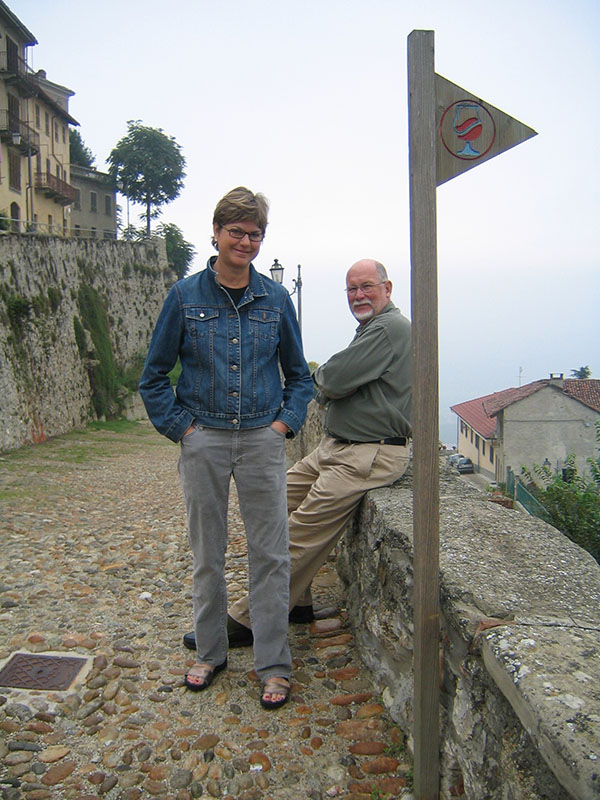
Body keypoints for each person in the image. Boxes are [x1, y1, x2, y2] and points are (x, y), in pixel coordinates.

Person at [140, 187, 313, 710]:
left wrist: (282, 426)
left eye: (254, 233)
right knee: (207, 554)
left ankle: (274, 664)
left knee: (271, 555)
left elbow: (300, 378)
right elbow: (153, 378)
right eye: (236, 231)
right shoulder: (184, 297)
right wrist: (184, 432)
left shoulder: (276, 300)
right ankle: (211, 652)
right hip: (205, 440)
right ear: (216, 233)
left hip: (262, 439)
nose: (246, 241)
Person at [183, 258, 411, 649]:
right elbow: (340, 378)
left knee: (300, 531)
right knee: (275, 502)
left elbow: (334, 377)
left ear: (387, 289)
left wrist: (328, 383)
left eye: (367, 287)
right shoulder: (372, 328)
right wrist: (336, 383)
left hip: (370, 454)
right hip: (335, 447)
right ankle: (297, 603)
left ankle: (249, 618)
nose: (359, 295)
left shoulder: (390, 328)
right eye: (352, 289)